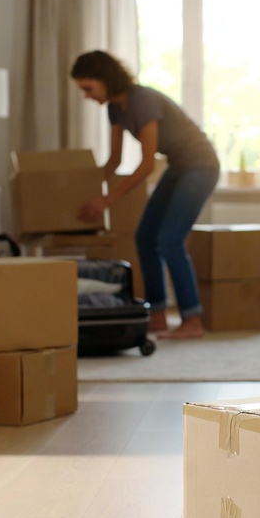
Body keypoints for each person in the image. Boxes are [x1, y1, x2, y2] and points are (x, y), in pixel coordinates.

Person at [73, 50, 220, 339]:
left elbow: (147, 165)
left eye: (88, 88)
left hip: (201, 165)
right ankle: (157, 315)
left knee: (169, 239)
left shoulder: (143, 101)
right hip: (179, 165)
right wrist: (84, 188)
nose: (86, 96)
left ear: (105, 79)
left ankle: (192, 319)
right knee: (144, 237)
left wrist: (107, 201)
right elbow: (114, 162)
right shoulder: (114, 109)